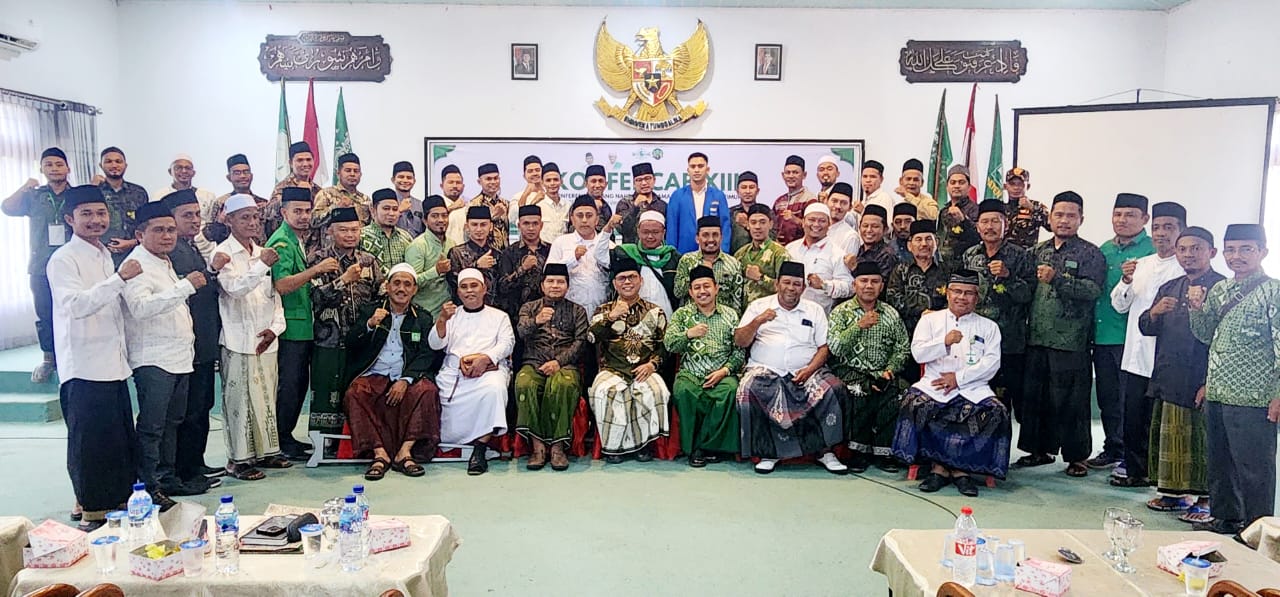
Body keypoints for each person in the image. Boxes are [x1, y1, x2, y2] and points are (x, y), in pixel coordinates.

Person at [47, 185, 141, 530]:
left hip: (113, 363)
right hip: (84, 365)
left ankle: (117, 501)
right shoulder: (63, 259)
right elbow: (76, 306)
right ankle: (90, 509)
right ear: (70, 219)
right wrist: (119, 279)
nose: (96, 220)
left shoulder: (104, 253)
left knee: (116, 439)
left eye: (101, 213)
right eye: (86, 214)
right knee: (89, 443)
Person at [1189, 223, 1280, 534]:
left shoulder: (1274, 291)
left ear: (1262, 252)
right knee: (1220, 463)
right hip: (1218, 391)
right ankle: (1225, 518)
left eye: (1246, 249)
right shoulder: (1220, 290)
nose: (1236, 256)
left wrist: (1279, 393)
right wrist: (1196, 308)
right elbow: (1206, 336)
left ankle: (1258, 531)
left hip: (1255, 396)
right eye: (1230, 249)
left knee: (1255, 469)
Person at [892, 269, 1009, 497]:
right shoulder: (930, 320)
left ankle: (960, 470)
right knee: (913, 403)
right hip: (934, 384)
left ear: (977, 297)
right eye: (957, 291)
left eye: (968, 293)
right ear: (947, 293)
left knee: (997, 412)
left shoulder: (989, 327)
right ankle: (938, 468)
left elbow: (992, 364)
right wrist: (943, 342)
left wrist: (958, 379)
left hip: (973, 387)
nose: (961, 297)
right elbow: (917, 354)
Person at [1017, 191, 1106, 478]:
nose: (1064, 220)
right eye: (1059, 215)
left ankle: (1077, 456)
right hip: (1037, 337)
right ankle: (1039, 450)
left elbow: (1092, 291)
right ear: (1050, 217)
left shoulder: (1090, 253)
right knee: (1036, 398)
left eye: (1071, 215)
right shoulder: (1038, 251)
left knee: (1072, 401)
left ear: (1081, 219)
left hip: (1071, 339)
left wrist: (1059, 279)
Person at [121, 201, 203, 505]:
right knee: (153, 426)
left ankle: (167, 480)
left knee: (173, 422)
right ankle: (147, 486)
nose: (167, 236)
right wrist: (185, 287)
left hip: (178, 356)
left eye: (170, 229)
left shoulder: (164, 261)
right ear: (140, 233)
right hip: (153, 358)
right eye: (159, 230)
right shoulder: (136, 264)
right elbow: (141, 309)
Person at [1138, 226, 1223, 520]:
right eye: (1183, 249)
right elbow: (1146, 327)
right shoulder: (1170, 287)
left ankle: (1205, 498)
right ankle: (1173, 495)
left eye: (1196, 248)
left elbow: (1221, 340)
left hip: (1201, 377)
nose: (1189, 254)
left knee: (1200, 440)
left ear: (1211, 252)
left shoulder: (1221, 288)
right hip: (1168, 374)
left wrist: (1208, 382)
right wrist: (1155, 312)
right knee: (1170, 436)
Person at [734, 261, 849, 474]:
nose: (791, 288)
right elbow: (740, 341)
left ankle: (825, 451)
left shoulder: (814, 310)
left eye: (796, 284)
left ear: (803, 288)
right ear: (777, 284)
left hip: (807, 370)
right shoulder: (759, 306)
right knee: (748, 390)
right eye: (786, 283)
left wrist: (810, 369)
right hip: (765, 369)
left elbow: (824, 347)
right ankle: (769, 452)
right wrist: (758, 321)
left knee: (834, 389)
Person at [1110, 201, 1188, 488]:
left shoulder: (1185, 267)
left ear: (1182, 231)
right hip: (1136, 355)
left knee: (1163, 422)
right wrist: (1126, 280)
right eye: (1156, 227)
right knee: (1133, 417)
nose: (1161, 234)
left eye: (1169, 227)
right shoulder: (1140, 265)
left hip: (1168, 360)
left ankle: (1163, 477)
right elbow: (1119, 305)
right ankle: (1135, 470)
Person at [212, 194, 289, 481]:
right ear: (229, 219)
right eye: (244, 217)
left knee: (266, 398)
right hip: (238, 338)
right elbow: (234, 289)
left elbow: (274, 296)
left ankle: (268, 452)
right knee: (239, 402)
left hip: (266, 338)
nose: (252, 223)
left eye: (255, 217)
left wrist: (275, 329)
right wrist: (261, 264)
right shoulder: (223, 254)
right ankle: (238, 461)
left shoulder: (262, 251)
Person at [344, 263, 441, 480]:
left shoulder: (422, 318)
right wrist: (369, 324)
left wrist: (406, 379)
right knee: (355, 393)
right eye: (396, 283)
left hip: (405, 374)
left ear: (415, 289)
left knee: (427, 391)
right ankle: (380, 454)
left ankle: (404, 452)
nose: (401, 289)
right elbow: (351, 344)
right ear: (387, 286)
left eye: (407, 284)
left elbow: (427, 354)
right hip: (374, 373)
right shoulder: (370, 310)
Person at [1088, 193, 1154, 474]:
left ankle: (1133, 454)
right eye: (1117, 214)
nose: (1122, 220)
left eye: (1130, 215)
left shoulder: (1153, 252)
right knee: (1108, 398)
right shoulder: (1104, 249)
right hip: (1103, 335)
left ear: (1144, 219)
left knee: (1132, 401)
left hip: (1133, 339)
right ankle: (1113, 447)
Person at [164, 191, 226, 488]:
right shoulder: (172, 250)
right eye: (186, 215)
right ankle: (184, 471)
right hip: (187, 343)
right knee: (188, 411)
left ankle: (196, 463)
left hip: (203, 341)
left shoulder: (191, 246)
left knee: (201, 407)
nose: (194, 220)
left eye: (197, 214)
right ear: (171, 218)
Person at [307, 206, 383, 440]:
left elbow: (379, 294)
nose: (350, 235)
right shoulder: (319, 259)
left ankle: (355, 441)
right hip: (329, 338)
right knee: (327, 390)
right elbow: (315, 297)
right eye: (343, 230)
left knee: (356, 389)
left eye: (354, 230)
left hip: (361, 337)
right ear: (330, 231)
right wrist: (343, 280)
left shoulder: (369, 260)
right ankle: (323, 442)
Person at [430, 268, 515, 476]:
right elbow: (435, 344)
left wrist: (484, 359)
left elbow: (507, 343)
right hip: (455, 372)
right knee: (439, 390)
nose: (470, 291)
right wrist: (441, 320)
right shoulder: (451, 315)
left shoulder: (499, 316)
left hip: (489, 370)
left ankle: (480, 447)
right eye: (464, 287)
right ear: (458, 292)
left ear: (484, 289)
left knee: (494, 389)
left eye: (474, 286)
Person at [265, 187, 330, 460]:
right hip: (290, 326)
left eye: (307, 211)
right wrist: (315, 270)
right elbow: (281, 285)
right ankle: (280, 440)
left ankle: (287, 436)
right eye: (297, 211)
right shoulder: (281, 241)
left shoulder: (296, 238)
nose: (304, 217)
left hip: (302, 325)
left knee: (298, 385)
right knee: (290, 385)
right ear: (283, 212)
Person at [828, 260, 910, 473]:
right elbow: (835, 348)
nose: (869, 286)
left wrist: (889, 370)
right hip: (849, 370)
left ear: (881, 286)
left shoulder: (890, 314)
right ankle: (858, 452)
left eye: (874, 281)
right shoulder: (841, 312)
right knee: (860, 390)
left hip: (884, 372)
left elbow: (902, 348)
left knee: (899, 394)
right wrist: (858, 326)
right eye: (863, 281)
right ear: (855, 285)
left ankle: (884, 453)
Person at [588, 258, 671, 463]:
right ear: (615, 283)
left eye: (632, 277)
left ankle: (643, 445)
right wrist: (612, 316)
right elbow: (591, 337)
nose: (627, 282)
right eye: (622, 278)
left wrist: (652, 365)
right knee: (606, 391)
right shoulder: (603, 310)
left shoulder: (655, 311)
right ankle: (614, 448)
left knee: (656, 391)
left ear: (640, 280)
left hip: (645, 369)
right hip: (612, 370)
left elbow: (665, 346)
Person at [961, 200, 1036, 420]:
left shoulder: (1020, 255)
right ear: (977, 226)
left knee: (1004, 401)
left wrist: (1008, 277)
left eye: (996, 221)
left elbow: (1028, 295)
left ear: (1006, 225)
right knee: (975, 398)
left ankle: (1001, 452)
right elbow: (962, 294)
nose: (990, 226)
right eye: (985, 221)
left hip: (1009, 341)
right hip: (975, 341)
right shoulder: (969, 255)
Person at [663, 266, 743, 467]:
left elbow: (740, 351)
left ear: (716, 288)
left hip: (722, 372)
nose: (702, 291)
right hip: (691, 372)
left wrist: (725, 371)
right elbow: (669, 343)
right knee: (684, 391)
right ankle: (694, 448)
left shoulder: (731, 315)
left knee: (729, 391)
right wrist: (688, 334)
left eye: (706, 286)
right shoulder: (682, 315)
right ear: (690, 292)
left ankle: (711, 447)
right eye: (697, 287)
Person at [3, 147, 72, 383]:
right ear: (42, 169)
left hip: (72, 264)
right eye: (49, 165)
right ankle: (49, 359)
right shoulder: (33, 195)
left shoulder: (76, 195)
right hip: (41, 264)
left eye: (59, 164)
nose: (54, 169)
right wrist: (24, 186)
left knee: (74, 311)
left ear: (68, 168)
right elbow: (7, 208)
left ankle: (70, 356)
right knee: (45, 312)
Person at [514, 263, 589, 471]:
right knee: (524, 383)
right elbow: (520, 332)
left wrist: (559, 362)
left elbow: (580, 342)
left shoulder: (577, 310)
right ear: (542, 285)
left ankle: (557, 447)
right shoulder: (529, 308)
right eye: (550, 281)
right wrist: (536, 321)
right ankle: (537, 447)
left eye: (560, 282)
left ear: (567, 286)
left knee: (562, 386)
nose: (555, 286)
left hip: (565, 365)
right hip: (534, 363)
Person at [886, 220, 947, 384]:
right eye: (918, 239)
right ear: (909, 245)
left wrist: (937, 316)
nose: (924, 244)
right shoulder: (900, 271)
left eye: (929, 239)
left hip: (941, 338)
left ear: (937, 242)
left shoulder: (948, 270)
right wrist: (923, 311)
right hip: (907, 337)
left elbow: (956, 301)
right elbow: (893, 300)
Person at [549, 195, 614, 316]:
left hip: (602, 310)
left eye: (589, 216)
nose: (584, 220)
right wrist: (573, 258)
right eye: (580, 216)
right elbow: (549, 275)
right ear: (572, 219)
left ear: (597, 220)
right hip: (569, 312)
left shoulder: (608, 245)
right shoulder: (561, 242)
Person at [785, 202, 852, 313]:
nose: (816, 224)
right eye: (811, 220)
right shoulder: (790, 249)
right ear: (803, 222)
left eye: (822, 221)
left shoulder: (837, 254)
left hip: (818, 319)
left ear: (829, 224)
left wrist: (824, 285)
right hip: (787, 315)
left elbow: (849, 287)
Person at [612, 211, 679, 318]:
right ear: (638, 232)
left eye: (655, 232)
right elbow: (600, 257)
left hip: (666, 314)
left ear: (663, 232)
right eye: (645, 232)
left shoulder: (674, 257)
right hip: (634, 317)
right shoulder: (626, 252)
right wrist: (607, 229)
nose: (650, 236)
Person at [674, 216, 745, 314]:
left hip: (723, 322)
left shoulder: (733, 264)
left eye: (715, 235)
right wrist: (697, 274)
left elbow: (737, 300)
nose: (711, 239)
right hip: (692, 320)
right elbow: (678, 292)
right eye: (705, 235)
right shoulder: (687, 260)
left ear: (721, 237)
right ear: (697, 238)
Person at [91, 146, 149, 267]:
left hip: (135, 254)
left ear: (125, 165)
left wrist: (132, 242)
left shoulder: (138, 192)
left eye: (118, 161)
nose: (114, 165)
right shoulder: (94, 192)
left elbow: (147, 225)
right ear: (101, 166)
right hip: (100, 255)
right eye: (108, 161)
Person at [666, 152, 731, 254]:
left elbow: (725, 226)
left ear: (707, 169)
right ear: (688, 170)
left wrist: (723, 253)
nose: (696, 170)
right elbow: (672, 228)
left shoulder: (718, 196)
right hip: (683, 254)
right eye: (693, 166)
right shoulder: (677, 196)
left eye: (700, 166)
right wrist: (671, 254)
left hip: (712, 254)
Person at [403, 195, 453, 318]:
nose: (441, 220)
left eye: (444, 215)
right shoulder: (417, 246)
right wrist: (435, 271)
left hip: (449, 313)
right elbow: (410, 284)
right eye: (435, 216)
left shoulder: (452, 243)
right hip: (424, 314)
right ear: (425, 220)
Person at [499, 204, 550, 317]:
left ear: (541, 225)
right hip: (516, 314)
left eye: (535, 223)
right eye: (526, 223)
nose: (531, 228)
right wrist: (522, 269)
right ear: (518, 225)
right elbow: (502, 287)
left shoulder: (551, 250)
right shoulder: (509, 253)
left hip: (546, 313)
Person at [206, 154, 267, 244]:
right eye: (237, 173)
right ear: (229, 177)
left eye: (246, 172)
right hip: (230, 254)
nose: (242, 176)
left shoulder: (263, 203)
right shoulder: (221, 203)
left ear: (251, 176)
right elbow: (209, 235)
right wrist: (220, 222)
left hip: (258, 254)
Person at [734, 203, 787, 307]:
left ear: (770, 224)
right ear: (748, 225)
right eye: (753, 222)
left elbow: (786, 288)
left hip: (770, 313)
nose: (757, 227)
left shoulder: (779, 253)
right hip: (745, 315)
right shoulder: (740, 253)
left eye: (762, 222)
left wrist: (760, 278)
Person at [265, 141, 322, 237]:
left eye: (308, 160)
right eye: (300, 160)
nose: (305, 164)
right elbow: (269, 213)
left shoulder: (318, 190)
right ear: (291, 163)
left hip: (312, 245)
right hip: (288, 240)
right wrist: (294, 193)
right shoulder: (283, 187)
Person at [937, 165, 981, 273]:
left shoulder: (976, 209)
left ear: (969, 187)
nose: (956, 186)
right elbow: (939, 237)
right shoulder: (943, 211)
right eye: (953, 182)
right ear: (947, 187)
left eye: (961, 182)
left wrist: (963, 220)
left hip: (966, 265)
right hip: (943, 266)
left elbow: (979, 237)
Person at [151, 154, 217, 224]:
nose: (184, 171)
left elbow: (212, 222)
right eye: (178, 168)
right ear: (170, 172)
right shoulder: (159, 196)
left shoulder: (207, 196)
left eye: (188, 168)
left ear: (193, 173)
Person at [361, 188, 413, 276]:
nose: (391, 213)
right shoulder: (361, 236)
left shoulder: (406, 237)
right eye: (386, 208)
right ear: (373, 210)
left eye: (395, 209)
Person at [615, 162, 667, 245]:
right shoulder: (624, 203)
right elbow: (623, 229)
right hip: (632, 252)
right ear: (634, 183)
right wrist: (635, 206)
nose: (644, 183)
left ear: (654, 180)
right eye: (639, 180)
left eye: (647, 178)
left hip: (657, 253)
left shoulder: (662, 205)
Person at [312, 153, 370, 227]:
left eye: (356, 171)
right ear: (338, 174)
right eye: (348, 170)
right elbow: (313, 221)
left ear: (360, 174)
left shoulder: (365, 199)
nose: (352, 174)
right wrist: (336, 208)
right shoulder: (326, 194)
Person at [771, 155, 817, 246]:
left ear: (804, 175)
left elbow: (815, 227)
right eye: (788, 172)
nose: (791, 176)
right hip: (779, 250)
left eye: (795, 172)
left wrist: (795, 220)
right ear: (783, 175)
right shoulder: (779, 201)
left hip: (802, 250)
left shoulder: (810, 199)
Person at [1001, 167, 1050, 249]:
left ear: (1028, 186)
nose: (1016, 188)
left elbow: (1051, 225)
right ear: (1005, 186)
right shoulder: (1000, 207)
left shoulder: (1036, 205)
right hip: (1003, 255)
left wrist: (1033, 208)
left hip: (1026, 255)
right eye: (1012, 184)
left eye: (1020, 184)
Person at [469, 163, 510, 250]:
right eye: (488, 179)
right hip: (483, 253)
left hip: (505, 254)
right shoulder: (474, 204)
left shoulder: (506, 203)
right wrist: (492, 217)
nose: (493, 182)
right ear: (479, 182)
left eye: (496, 178)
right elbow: (470, 231)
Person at [852, 204, 898, 280]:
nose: (869, 230)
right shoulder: (858, 249)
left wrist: (853, 268)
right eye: (865, 226)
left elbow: (878, 285)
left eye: (875, 226)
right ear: (859, 227)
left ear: (885, 229)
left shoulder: (887, 255)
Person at [728, 171, 766, 254]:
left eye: (751, 187)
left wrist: (747, 225)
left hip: (763, 260)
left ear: (758, 191)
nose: (748, 191)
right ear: (737, 191)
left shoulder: (766, 213)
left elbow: (772, 238)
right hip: (736, 260)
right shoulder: (730, 213)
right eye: (744, 187)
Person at [506, 156, 544, 235]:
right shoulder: (518, 197)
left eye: (537, 170)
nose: (534, 173)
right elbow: (512, 218)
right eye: (530, 171)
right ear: (524, 176)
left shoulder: (551, 195)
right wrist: (526, 195)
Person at [533, 162, 570, 244]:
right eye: (548, 180)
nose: (552, 183)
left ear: (561, 181)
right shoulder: (537, 205)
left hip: (563, 251)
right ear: (542, 182)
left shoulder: (569, 206)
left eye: (556, 180)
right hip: (542, 252)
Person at [825, 182, 864, 258]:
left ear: (850, 207)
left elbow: (846, 268)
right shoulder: (816, 227)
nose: (838, 206)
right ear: (826, 201)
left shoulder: (851, 237)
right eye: (834, 201)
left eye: (844, 203)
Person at [391, 161, 424, 238]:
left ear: (414, 181)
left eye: (409, 178)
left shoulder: (420, 204)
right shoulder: (386, 203)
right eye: (401, 177)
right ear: (393, 180)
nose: (405, 180)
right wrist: (399, 211)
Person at [441, 164, 471, 247]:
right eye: (451, 182)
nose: (455, 186)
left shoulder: (470, 204)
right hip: (444, 251)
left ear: (463, 186)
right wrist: (451, 208)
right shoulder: (436, 204)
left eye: (458, 183)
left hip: (466, 253)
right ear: (441, 185)